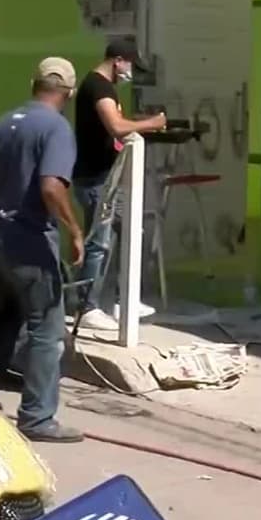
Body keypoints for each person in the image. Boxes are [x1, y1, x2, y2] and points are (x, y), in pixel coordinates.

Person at [0, 57, 85, 444]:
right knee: (46, 328)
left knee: (10, 311)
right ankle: (37, 417)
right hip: (30, 242)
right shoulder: (56, 128)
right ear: (69, 93)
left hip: (0, 234)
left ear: (33, 84)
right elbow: (51, 186)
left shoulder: (5, 122)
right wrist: (75, 231)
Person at [71, 38, 167, 331]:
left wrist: (135, 123)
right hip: (96, 178)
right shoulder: (98, 87)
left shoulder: (105, 88)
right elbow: (116, 126)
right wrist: (151, 123)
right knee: (99, 243)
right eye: (130, 66)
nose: (130, 73)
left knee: (131, 231)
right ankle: (86, 307)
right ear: (118, 61)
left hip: (108, 177)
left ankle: (124, 299)